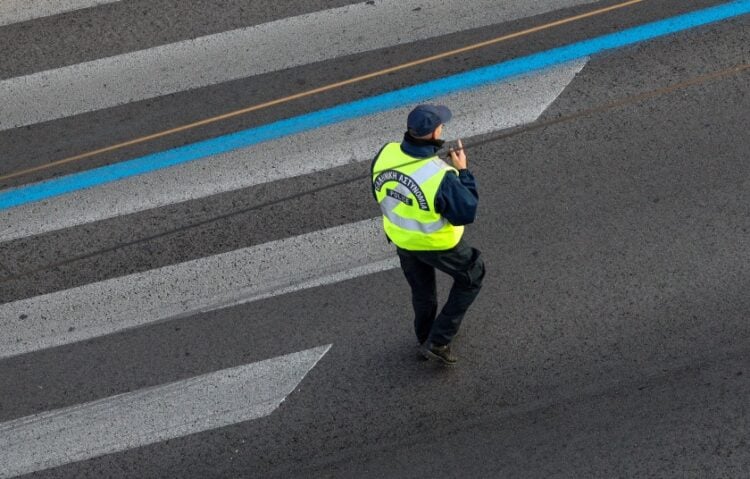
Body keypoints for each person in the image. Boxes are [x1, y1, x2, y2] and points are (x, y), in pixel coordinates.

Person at [370, 104, 485, 365]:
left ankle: (424, 337)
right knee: (472, 276)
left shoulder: (385, 154)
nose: (442, 128)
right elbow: (466, 211)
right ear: (434, 133)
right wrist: (463, 172)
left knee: (422, 293)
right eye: (440, 126)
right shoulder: (440, 175)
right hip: (438, 244)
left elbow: (379, 190)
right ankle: (439, 340)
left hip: (401, 239)